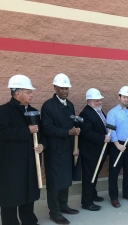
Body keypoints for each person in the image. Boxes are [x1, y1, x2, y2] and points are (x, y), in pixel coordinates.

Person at [0, 74, 44, 225]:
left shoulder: (34, 111)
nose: (31, 94)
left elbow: (41, 133)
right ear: (17, 93)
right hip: (11, 163)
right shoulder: (4, 111)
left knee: (29, 193)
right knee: (10, 196)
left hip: (31, 161)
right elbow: (3, 132)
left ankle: (29, 220)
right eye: (28, 92)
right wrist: (26, 130)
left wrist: (41, 145)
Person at [41, 73, 80, 225]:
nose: (65, 90)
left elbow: (73, 123)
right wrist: (67, 132)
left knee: (65, 179)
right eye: (62, 88)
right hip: (54, 150)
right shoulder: (48, 106)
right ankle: (54, 212)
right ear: (55, 88)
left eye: (67, 88)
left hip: (68, 148)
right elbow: (47, 129)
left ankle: (63, 206)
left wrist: (75, 132)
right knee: (55, 182)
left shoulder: (69, 105)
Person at [106, 86, 128, 208]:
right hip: (117, 145)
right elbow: (110, 130)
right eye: (124, 97)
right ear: (119, 97)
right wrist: (117, 145)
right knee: (114, 172)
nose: (126, 99)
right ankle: (114, 197)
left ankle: (127, 193)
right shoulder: (112, 112)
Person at [78, 88, 110, 211]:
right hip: (90, 152)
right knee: (89, 176)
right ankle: (87, 202)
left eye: (100, 100)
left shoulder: (99, 112)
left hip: (99, 151)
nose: (99, 102)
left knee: (95, 175)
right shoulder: (86, 114)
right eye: (96, 100)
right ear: (88, 101)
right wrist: (103, 138)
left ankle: (92, 194)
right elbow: (86, 133)